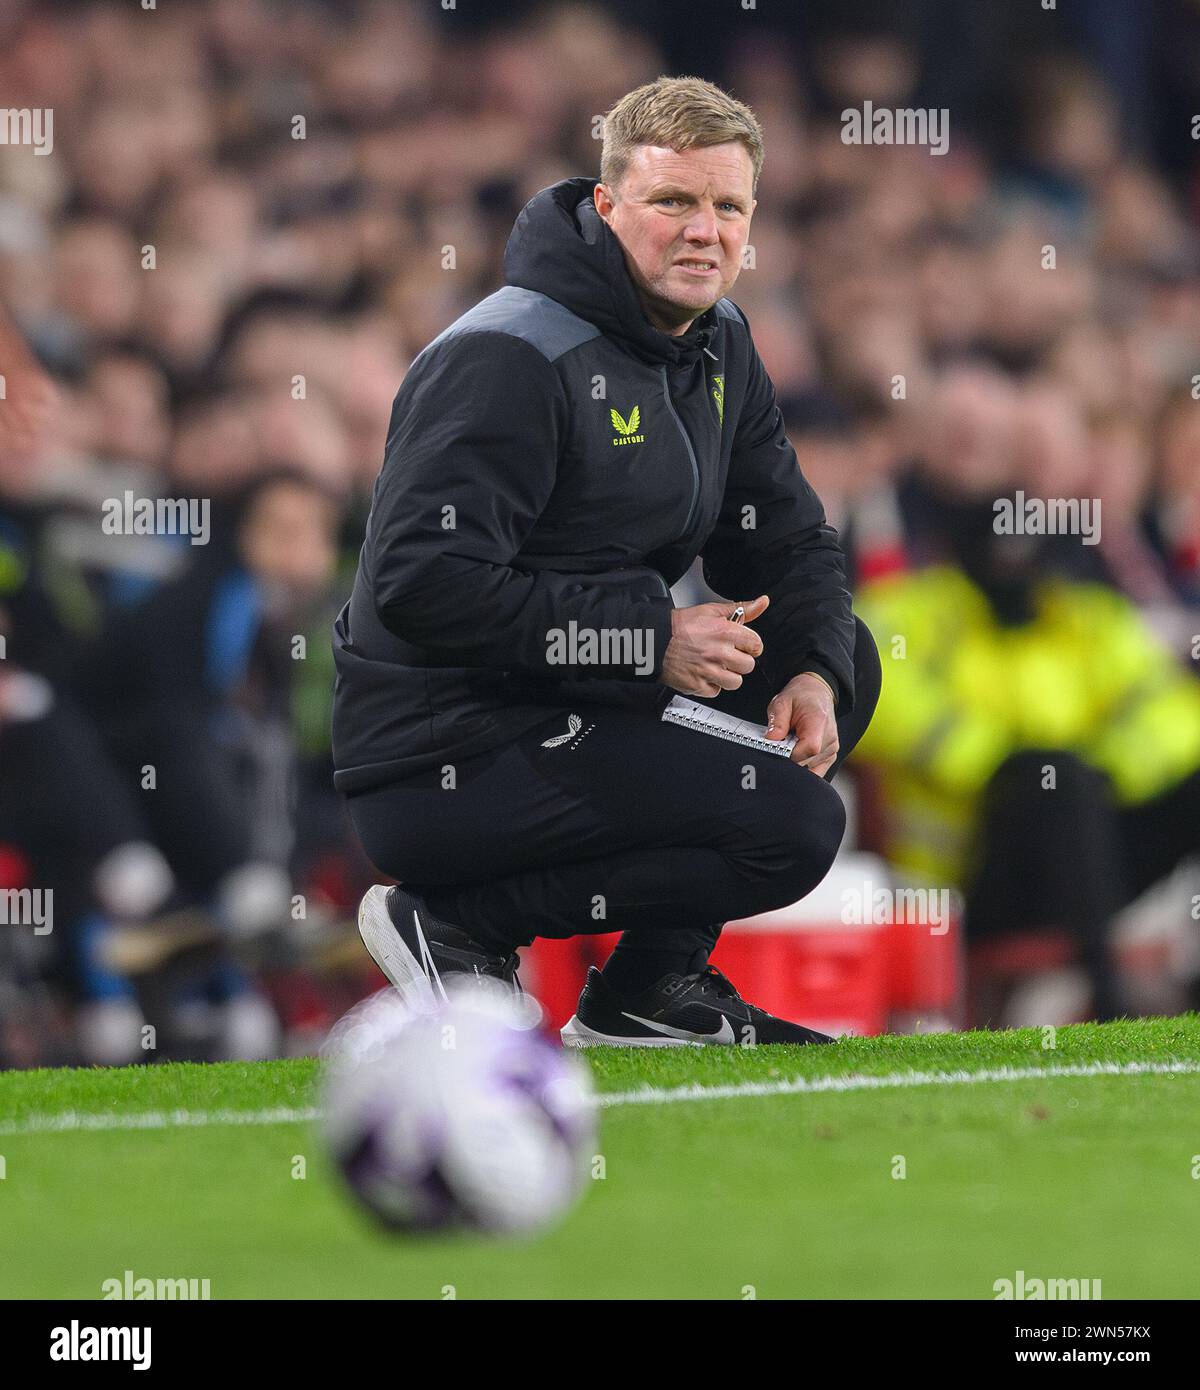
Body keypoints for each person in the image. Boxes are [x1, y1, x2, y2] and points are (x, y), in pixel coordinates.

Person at [332, 76, 880, 1046]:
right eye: (674, 201)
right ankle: (456, 922)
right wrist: (646, 640)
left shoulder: (721, 345)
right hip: (444, 746)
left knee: (843, 660)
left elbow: (789, 543)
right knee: (791, 826)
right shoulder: (508, 355)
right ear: (607, 204)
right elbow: (420, 583)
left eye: (728, 206)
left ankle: (649, 994)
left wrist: (817, 674)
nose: (703, 230)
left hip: (582, 695)